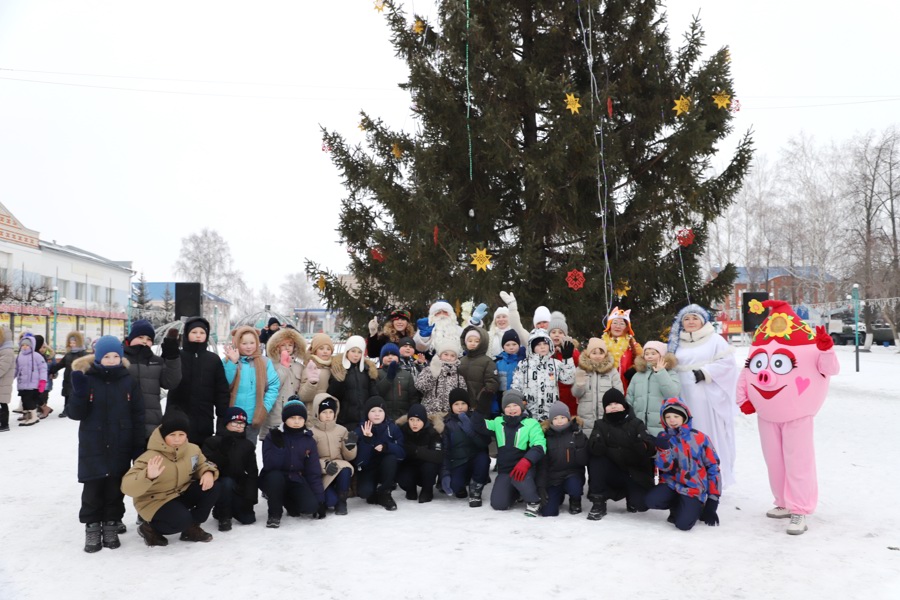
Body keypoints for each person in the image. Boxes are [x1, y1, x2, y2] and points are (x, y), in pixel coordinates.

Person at [736, 300, 840, 535]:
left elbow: (830, 369)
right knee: (774, 461)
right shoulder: (759, 347)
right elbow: (747, 372)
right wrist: (743, 398)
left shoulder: (809, 347)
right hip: (767, 415)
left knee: (798, 462)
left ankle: (800, 509)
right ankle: (783, 501)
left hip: (797, 416)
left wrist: (826, 350)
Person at [68, 336, 145, 552]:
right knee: (92, 488)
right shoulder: (88, 379)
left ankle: (111, 523)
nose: (112, 360)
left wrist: (138, 447)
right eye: (107, 356)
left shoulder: (128, 381)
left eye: (116, 356)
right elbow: (75, 414)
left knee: (115, 488)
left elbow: (138, 415)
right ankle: (92, 527)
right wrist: (79, 393)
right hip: (93, 444)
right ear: (99, 358)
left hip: (121, 442)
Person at [121, 410, 221, 546]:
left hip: (180, 493)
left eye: (181, 434)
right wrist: (148, 476)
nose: (177, 439)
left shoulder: (193, 450)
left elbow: (202, 464)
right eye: (172, 435)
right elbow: (127, 487)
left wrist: (207, 472)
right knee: (181, 520)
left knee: (213, 487)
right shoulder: (150, 456)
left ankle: (191, 528)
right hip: (156, 501)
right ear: (163, 436)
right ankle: (150, 528)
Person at [668, 304, 738, 488]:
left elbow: (728, 363)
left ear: (703, 320)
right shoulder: (676, 341)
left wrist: (706, 372)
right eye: (686, 319)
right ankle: (690, 476)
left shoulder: (714, 340)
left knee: (706, 434)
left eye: (694, 318)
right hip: (683, 396)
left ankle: (713, 478)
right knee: (686, 435)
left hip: (706, 397)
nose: (691, 322)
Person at [646, 398, 721, 531]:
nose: (672, 420)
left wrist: (713, 500)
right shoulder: (664, 437)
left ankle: (697, 506)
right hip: (671, 484)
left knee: (683, 525)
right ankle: (677, 506)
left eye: (676, 416)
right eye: (667, 417)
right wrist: (663, 450)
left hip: (693, 488)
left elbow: (713, 467)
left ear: (684, 417)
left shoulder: (700, 438)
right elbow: (663, 467)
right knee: (650, 500)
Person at [473, 389, 546, 517]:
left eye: (515, 405)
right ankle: (516, 493)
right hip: (505, 470)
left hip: (524, 468)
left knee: (519, 479)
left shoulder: (531, 423)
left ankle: (534, 501)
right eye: (508, 406)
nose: (512, 409)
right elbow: (478, 425)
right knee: (498, 504)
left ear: (522, 406)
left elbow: (540, 445)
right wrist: (482, 407)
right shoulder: (497, 422)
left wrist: (526, 461)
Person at [586, 388, 656, 520]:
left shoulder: (637, 423)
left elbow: (651, 448)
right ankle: (598, 501)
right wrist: (596, 445)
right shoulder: (600, 425)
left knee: (641, 505)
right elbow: (593, 446)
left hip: (634, 472)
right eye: (609, 405)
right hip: (612, 473)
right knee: (596, 459)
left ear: (623, 405)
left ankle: (632, 495)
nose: (613, 407)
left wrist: (642, 446)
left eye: (616, 403)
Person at [259, 400, 326, 528]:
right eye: (292, 418)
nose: (296, 421)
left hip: (295, 478)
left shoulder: (308, 440)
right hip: (273, 477)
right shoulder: (273, 436)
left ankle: (286, 499)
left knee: (310, 507)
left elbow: (313, 471)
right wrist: (279, 448)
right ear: (285, 419)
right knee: (275, 478)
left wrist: (320, 500)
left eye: (300, 418)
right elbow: (269, 465)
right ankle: (274, 514)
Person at [166, 316, 230, 446]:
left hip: (204, 422)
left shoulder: (213, 360)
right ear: (187, 334)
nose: (198, 336)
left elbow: (221, 392)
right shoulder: (178, 356)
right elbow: (168, 377)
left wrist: (222, 421)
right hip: (178, 423)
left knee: (201, 460)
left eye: (202, 333)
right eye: (194, 332)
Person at [201, 407, 259, 531]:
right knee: (227, 482)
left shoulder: (247, 445)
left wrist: (250, 498)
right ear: (226, 423)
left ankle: (236, 507)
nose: (239, 426)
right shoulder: (212, 441)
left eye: (242, 423)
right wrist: (222, 451)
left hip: (239, 486)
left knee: (248, 519)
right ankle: (223, 515)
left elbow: (253, 473)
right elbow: (208, 465)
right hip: (220, 484)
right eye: (235, 423)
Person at [124, 319, 182, 439]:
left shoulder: (156, 361)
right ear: (130, 338)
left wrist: (172, 356)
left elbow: (171, 382)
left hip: (150, 425)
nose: (144, 341)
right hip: (124, 423)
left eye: (149, 339)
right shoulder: (119, 358)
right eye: (140, 337)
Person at [223, 326, 281, 444]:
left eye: (252, 343)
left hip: (252, 417)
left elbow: (273, 386)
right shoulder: (228, 361)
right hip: (232, 418)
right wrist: (232, 363)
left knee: (248, 451)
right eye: (244, 343)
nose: (249, 346)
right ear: (237, 342)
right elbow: (224, 384)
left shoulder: (265, 362)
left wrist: (264, 408)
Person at [309, 393, 358, 515]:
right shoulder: (311, 433)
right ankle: (331, 497)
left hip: (339, 468)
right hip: (322, 472)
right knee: (330, 501)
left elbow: (348, 457)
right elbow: (310, 459)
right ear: (317, 413)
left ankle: (342, 501)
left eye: (331, 412)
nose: (328, 416)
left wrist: (350, 447)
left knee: (346, 469)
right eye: (324, 412)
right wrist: (324, 466)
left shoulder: (341, 430)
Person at [440, 389, 491, 506]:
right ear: (451, 406)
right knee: (455, 486)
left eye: (463, 404)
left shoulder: (476, 419)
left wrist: (472, 432)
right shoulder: (447, 423)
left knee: (483, 458)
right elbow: (445, 452)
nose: (460, 407)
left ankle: (475, 490)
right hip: (458, 461)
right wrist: (445, 474)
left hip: (476, 459)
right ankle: (462, 484)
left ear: (468, 405)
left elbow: (485, 442)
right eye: (456, 404)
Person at [354, 396, 406, 510]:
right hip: (368, 468)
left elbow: (402, 453)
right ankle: (374, 493)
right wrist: (367, 441)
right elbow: (360, 462)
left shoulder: (392, 428)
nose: (377, 414)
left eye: (380, 411)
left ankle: (385, 493)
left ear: (385, 413)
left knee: (391, 458)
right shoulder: (360, 430)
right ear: (367, 413)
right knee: (364, 493)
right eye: (373, 411)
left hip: (386, 468)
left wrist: (387, 447)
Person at [511, 329, 575, 421]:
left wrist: (567, 359)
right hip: (529, 414)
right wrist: (520, 404)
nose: (542, 347)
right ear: (531, 347)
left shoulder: (555, 364)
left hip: (550, 414)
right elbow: (516, 387)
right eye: (538, 344)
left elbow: (569, 379)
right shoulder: (523, 364)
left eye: (545, 344)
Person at [538, 402, 589, 517]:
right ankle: (558, 495)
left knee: (574, 486)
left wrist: (580, 444)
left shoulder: (576, 433)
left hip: (573, 474)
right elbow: (543, 465)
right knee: (548, 512)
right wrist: (541, 486)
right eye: (555, 418)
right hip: (554, 477)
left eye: (562, 417)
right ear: (551, 420)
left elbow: (583, 461)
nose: (559, 421)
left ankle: (575, 499)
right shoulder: (546, 436)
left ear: (568, 418)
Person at [626, 340, 680, 436]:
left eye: (653, 353)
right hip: (639, 427)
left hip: (661, 428)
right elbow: (630, 397)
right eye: (646, 354)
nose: (649, 356)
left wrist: (661, 372)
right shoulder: (638, 375)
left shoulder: (670, 373)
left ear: (662, 355)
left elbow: (672, 394)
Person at [571, 337, 623, 437]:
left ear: (605, 354)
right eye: (594, 353)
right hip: (586, 419)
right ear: (588, 354)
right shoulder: (582, 370)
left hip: (607, 417)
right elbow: (576, 394)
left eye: (601, 353)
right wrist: (579, 385)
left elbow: (619, 393)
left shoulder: (612, 371)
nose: (597, 356)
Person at [263, 326, 308, 440]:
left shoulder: (300, 367)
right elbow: (270, 386)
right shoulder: (270, 365)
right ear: (276, 347)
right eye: (283, 345)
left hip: (295, 416)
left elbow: (303, 391)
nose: (287, 348)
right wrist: (283, 367)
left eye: (290, 345)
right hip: (275, 415)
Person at [397, 403, 444, 503]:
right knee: (403, 475)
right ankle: (410, 489)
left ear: (424, 420)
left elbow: (438, 456)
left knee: (430, 466)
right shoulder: (402, 430)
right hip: (409, 465)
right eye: (412, 420)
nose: (414, 423)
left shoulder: (432, 431)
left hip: (426, 467)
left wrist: (416, 451)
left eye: (418, 420)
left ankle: (427, 490)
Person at [328, 335, 379, 428]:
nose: (356, 355)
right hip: (345, 420)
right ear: (347, 351)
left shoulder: (367, 370)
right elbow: (333, 394)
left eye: (359, 352)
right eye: (353, 351)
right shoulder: (339, 368)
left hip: (365, 420)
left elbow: (374, 395)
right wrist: (339, 379)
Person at [415, 337, 466, 415]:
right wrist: (433, 373)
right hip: (430, 413)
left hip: (450, 415)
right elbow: (420, 387)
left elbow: (463, 396)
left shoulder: (459, 375)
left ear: (456, 358)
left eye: (452, 356)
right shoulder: (429, 369)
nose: (449, 358)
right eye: (446, 354)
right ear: (440, 355)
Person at [48, 331, 89, 419]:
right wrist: (52, 371)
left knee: (75, 394)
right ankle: (66, 409)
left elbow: (88, 366)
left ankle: (76, 409)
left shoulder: (83, 354)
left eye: (74, 342)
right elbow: (61, 364)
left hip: (78, 378)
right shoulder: (69, 354)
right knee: (67, 394)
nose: (72, 344)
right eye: (70, 342)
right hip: (67, 378)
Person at [601, 307, 643, 391]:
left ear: (627, 327)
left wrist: (635, 368)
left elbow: (645, 360)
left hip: (627, 389)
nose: (618, 326)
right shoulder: (601, 344)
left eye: (622, 324)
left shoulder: (633, 345)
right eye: (615, 323)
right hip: (605, 388)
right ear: (610, 325)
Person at [375, 343, 420, 421]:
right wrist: (388, 378)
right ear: (382, 358)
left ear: (398, 358)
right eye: (386, 355)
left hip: (403, 417)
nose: (390, 357)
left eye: (393, 354)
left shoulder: (407, 375)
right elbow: (376, 393)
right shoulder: (376, 373)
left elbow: (413, 398)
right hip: (382, 417)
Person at [547, 312, 580, 415]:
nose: (557, 335)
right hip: (551, 394)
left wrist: (568, 354)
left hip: (568, 395)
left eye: (560, 332)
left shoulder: (573, 351)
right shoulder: (546, 352)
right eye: (553, 332)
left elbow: (578, 365)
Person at [457, 325, 499, 406]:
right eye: (470, 341)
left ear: (483, 342)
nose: (473, 343)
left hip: (480, 406)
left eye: (477, 341)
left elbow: (492, 383)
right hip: (462, 405)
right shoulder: (460, 361)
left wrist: (480, 399)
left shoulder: (487, 362)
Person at [14, 334, 47, 427]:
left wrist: (42, 381)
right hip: (22, 383)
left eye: (27, 345)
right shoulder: (19, 356)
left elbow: (43, 368)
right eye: (23, 345)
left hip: (33, 383)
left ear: (31, 345)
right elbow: (16, 369)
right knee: (24, 400)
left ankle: (34, 416)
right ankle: (28, 416)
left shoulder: (36, 356)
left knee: (30, 400)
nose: (25, 347)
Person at [486, 291, 529, 357]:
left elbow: (516, 325)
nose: (501, 319)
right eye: (498, 317)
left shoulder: (516, 333)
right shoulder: (489, 335)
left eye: (504, 316)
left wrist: (512, 309)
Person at [493, 330, 525, 417]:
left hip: (518, 398)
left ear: (519, 345)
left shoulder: (523, 362)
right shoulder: (497, 362)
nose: (511, 347)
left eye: (514, 344)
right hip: (501, 399)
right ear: (503, 346)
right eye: (508, 345)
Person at [299, 333, 336, 408]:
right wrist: (311, 383)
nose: (325, 351)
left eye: (328, 349)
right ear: (315, 351)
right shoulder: (310, 368)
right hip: (313, 411)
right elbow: (303, 396)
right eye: (321, 348)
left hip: (330, 413)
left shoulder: (335, 368)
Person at [33, 335, 56, 418]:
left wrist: (54, 374)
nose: (42, 349)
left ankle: (43, 410)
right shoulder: (36, 355)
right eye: (40, 347)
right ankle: (40, 409)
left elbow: (54, 367)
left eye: (44, 347)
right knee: (38, 395)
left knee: (44, 395)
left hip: (47, 381)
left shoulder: (49, 356)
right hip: (37, 380)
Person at [0, 326, 14, 432]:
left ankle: (4, 425)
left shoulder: (7, 351)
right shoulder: (3, 349)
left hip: (3, 382)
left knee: (3, 403)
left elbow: (2, 368)